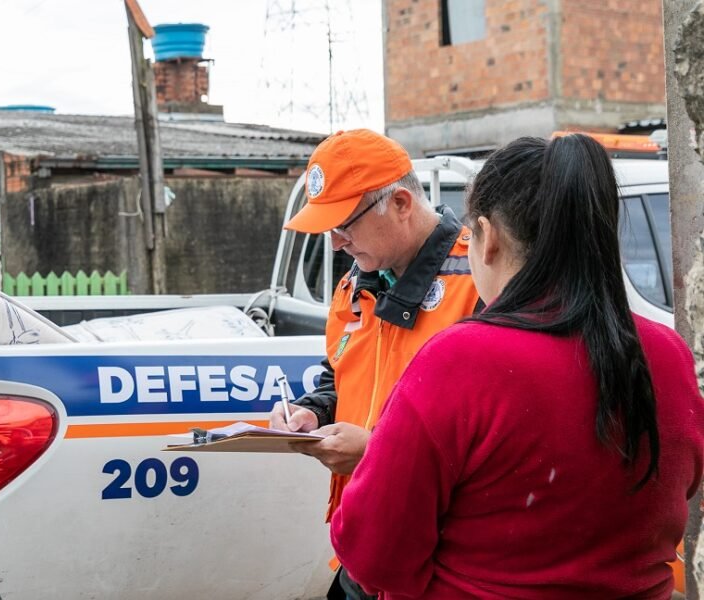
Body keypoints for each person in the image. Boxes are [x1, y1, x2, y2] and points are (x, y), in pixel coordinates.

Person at [329, 134, 704, 598]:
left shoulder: (459, 361)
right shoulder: (668, 354)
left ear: (489, 239)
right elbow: (680, 490)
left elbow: (372, 553)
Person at [268, 129, 480, 599]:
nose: (337, 243)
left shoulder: (479, 283)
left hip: (442, 559)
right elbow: (340, 376)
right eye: (328, 229)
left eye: (345, 224)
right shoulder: (354, 286)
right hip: (365, 544)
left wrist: (378, 451)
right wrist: (313, 411)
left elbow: (495, 438)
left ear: (401, 203)